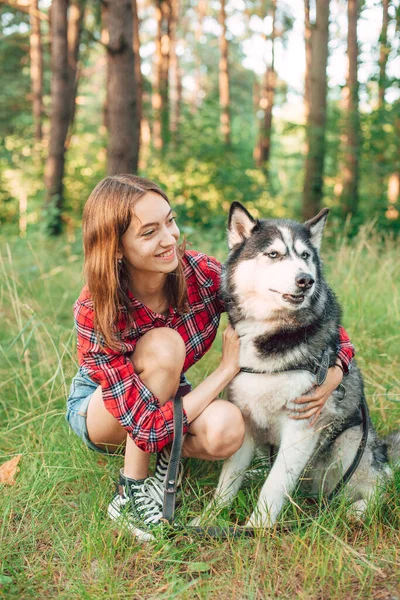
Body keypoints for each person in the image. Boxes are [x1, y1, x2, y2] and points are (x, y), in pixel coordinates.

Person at [66, 174, 355, 540]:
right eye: (149, 232)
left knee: (228, 428)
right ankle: (132, 492)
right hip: (106, 413)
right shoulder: (95, 306)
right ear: (117, 247)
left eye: (170, 221)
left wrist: (336, 369)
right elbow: (147, 425)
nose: (169, 238)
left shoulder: (198, 275)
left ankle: (164, 466)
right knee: (165, 346)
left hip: (168, 399)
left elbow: (323, 323)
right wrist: (224, 371)